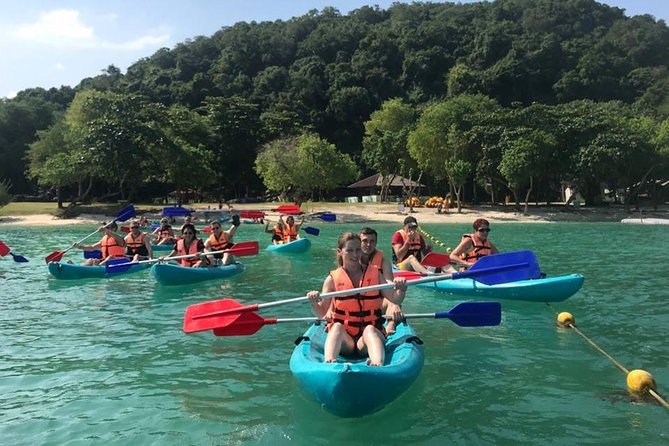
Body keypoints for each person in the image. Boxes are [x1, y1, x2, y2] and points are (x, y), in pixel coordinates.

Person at [307, 232, 408, 366]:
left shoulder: (375, 274)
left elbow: (395, 299)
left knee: (369, 330)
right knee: (336, 327)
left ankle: (377, 365)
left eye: (357, 250)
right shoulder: (332, 280)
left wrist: (401, 288)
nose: (355, 255)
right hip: (346, 341)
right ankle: (329, 362)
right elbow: (322, 313)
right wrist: (314, 302)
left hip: (366, 340)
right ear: (340, 252)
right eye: (349, 250)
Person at [360, 227, 403, 335]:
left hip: (378, 300)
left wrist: (395, 303)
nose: (368, 244)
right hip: (357, 301)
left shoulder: (384, 263)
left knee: (392, 303)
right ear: (359, 242)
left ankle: (390, 325)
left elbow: (388, 282)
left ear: (376, 243)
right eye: (365, 241)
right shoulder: (352, 260)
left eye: (372, 241)